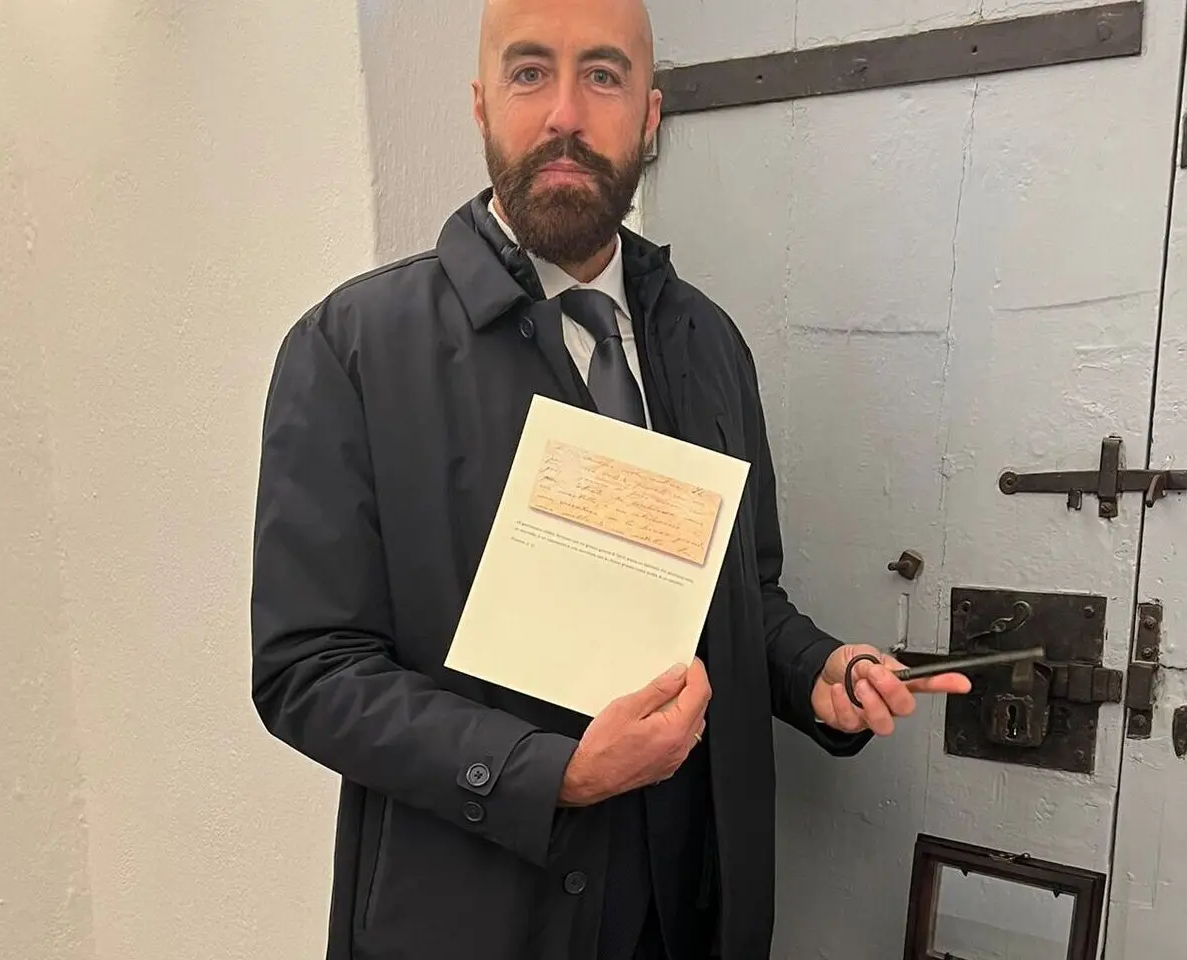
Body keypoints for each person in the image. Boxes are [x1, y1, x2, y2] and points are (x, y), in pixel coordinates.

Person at [248, 0, 970, 957]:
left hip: (691, 912)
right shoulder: (351, 349)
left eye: (602, 75)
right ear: (481, 104)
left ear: (650, 114)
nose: (565, 114)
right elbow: (309, 671)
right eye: (529, 73)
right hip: (473, 920)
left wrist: (817, 672)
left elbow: (740, 598)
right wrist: (548, 774)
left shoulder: (710, 345)